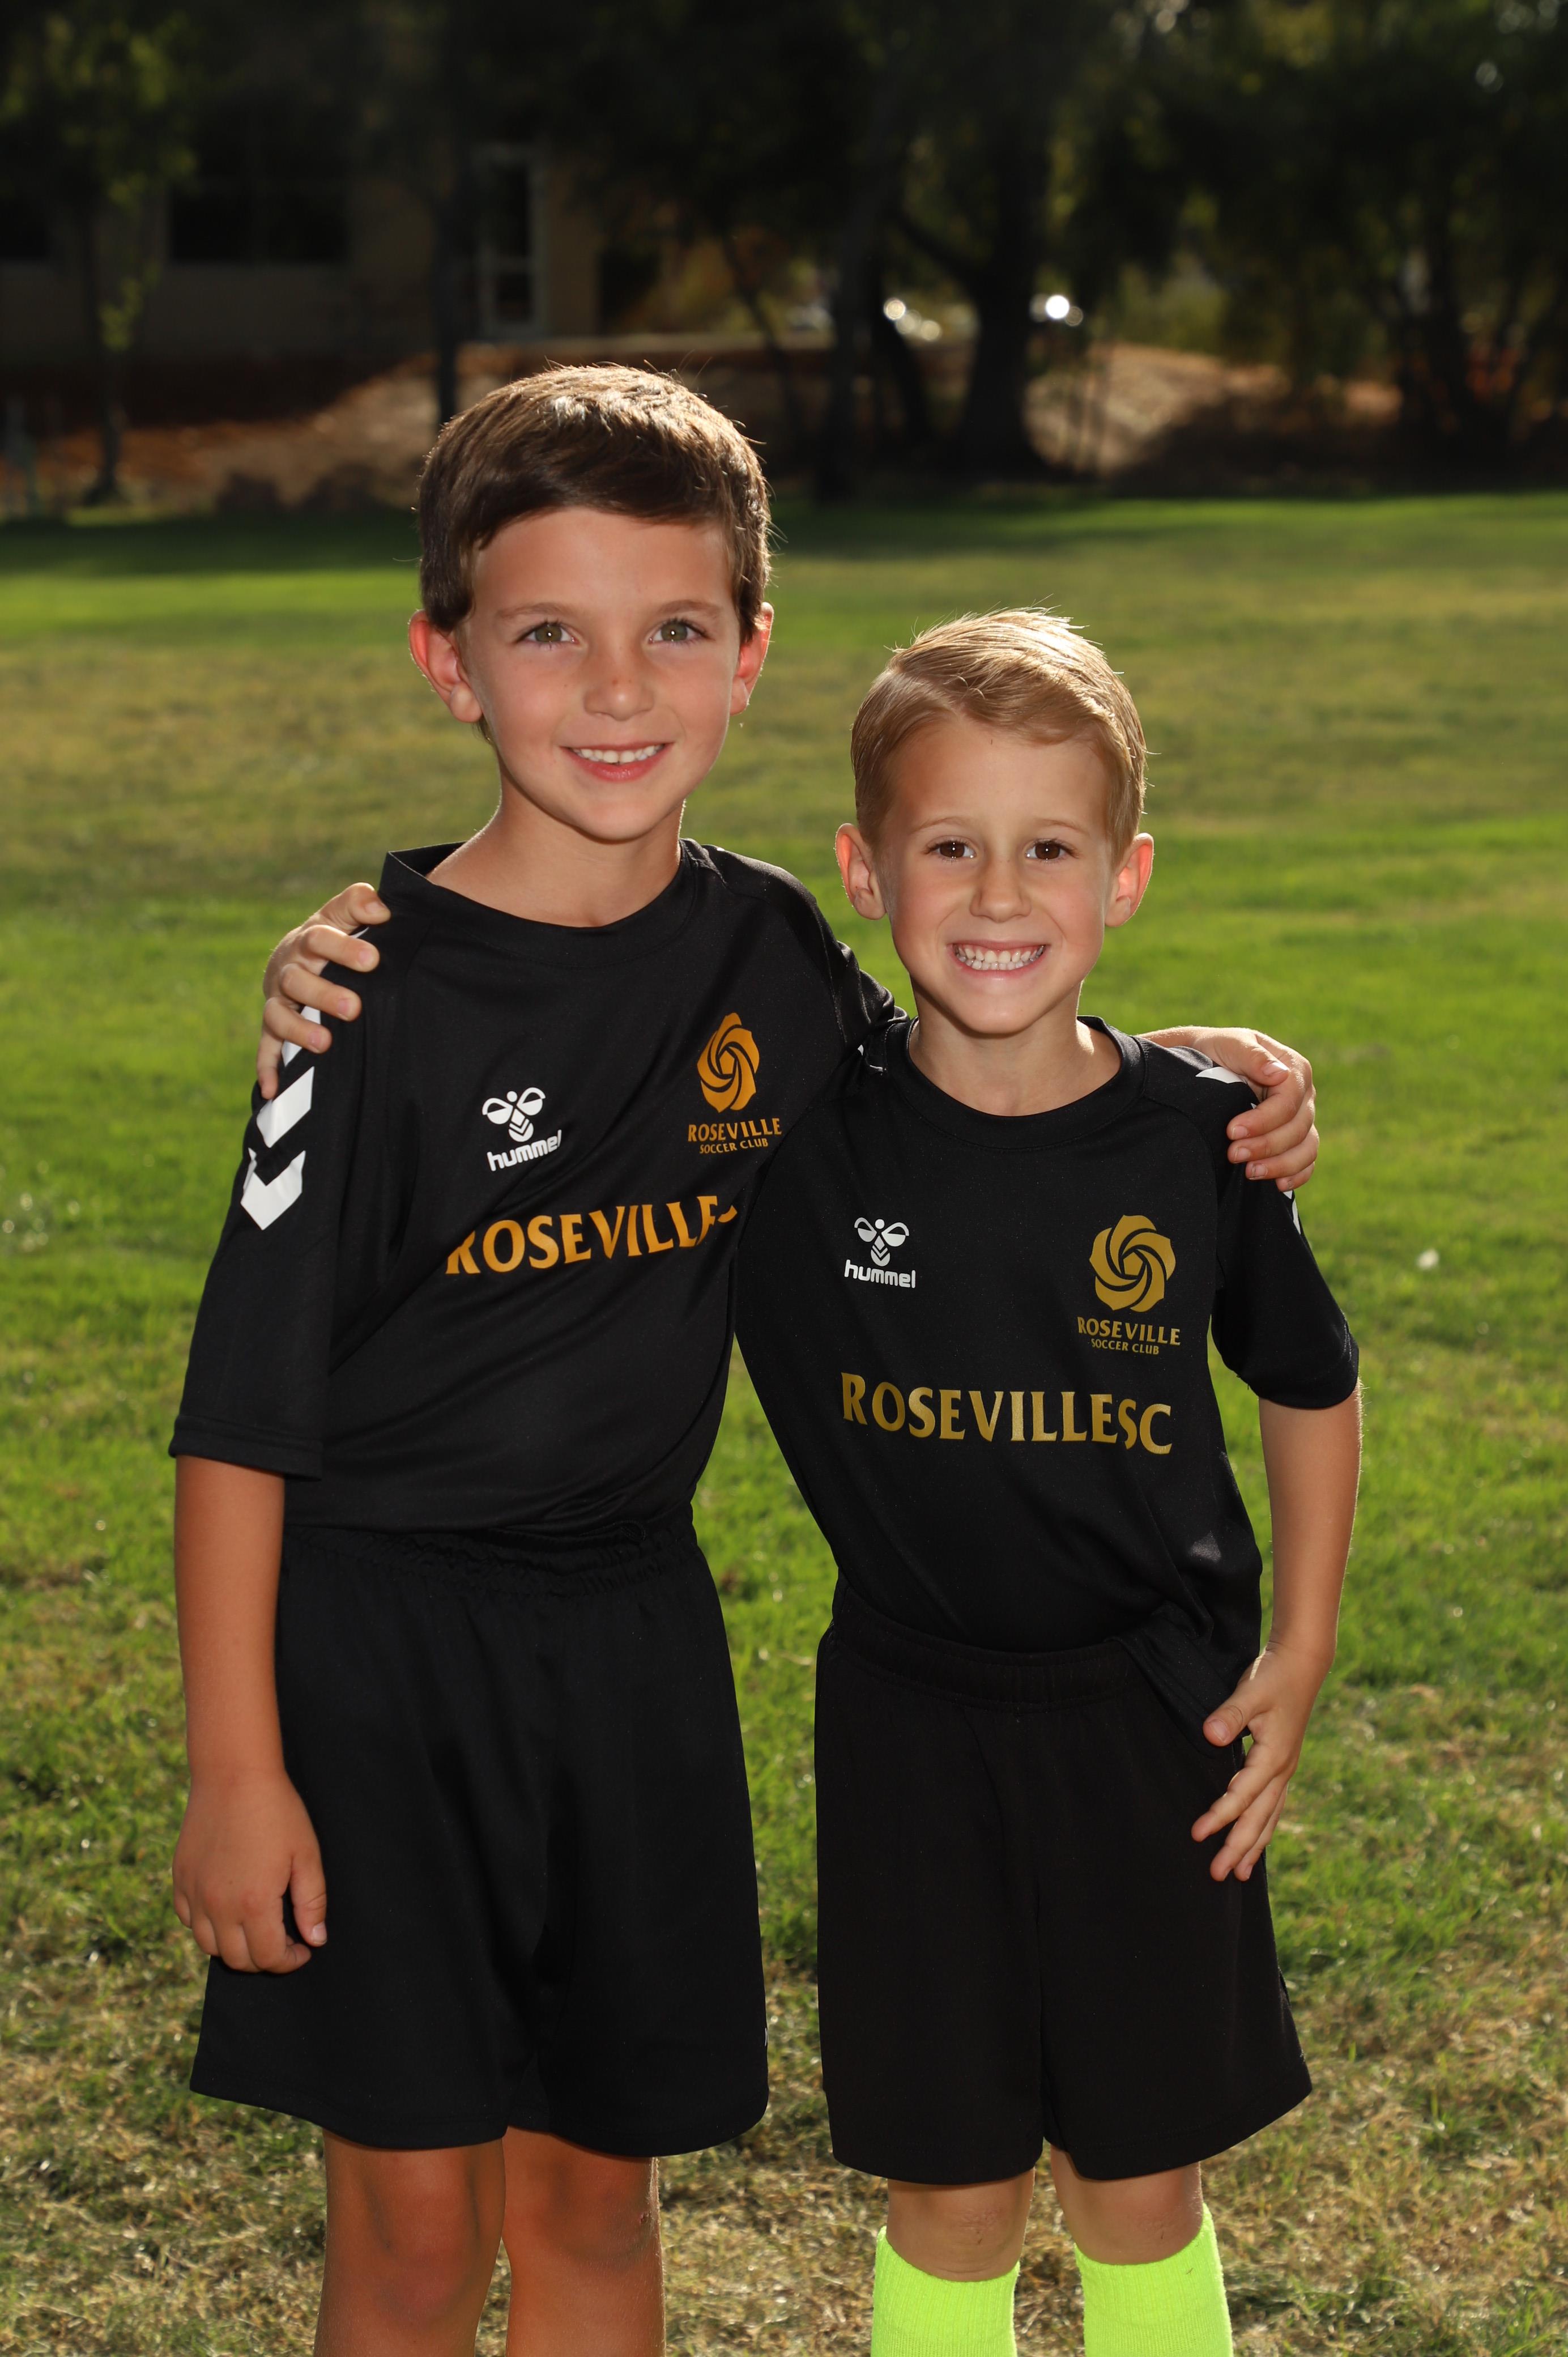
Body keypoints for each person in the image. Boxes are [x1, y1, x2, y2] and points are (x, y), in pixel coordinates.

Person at [172, 364, 1322, 2357]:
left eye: (675, 632)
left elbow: (973, 1055)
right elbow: (236, 1423)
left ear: (749, 656)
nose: (618, 689)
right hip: (379, 1665)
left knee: (599, 2206)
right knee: (418, 2237)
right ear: (450, 661)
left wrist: (1193, 1074)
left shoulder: (775, 958)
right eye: (550, 633)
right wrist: (236, 1768)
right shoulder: (364, 1003)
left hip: (635, 1649)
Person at [734, 611, 1362, 2357]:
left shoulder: (1197, 1137)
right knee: (947, 2192)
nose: (1000, 895)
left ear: (1126, 877)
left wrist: (1303, 1645)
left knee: (1138, 2181)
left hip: (1148, 1719)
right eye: (951, 847)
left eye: (1051, 851)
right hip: (908, 1724)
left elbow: (1311, 1382)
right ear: (866, 871)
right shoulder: (799, 1132)